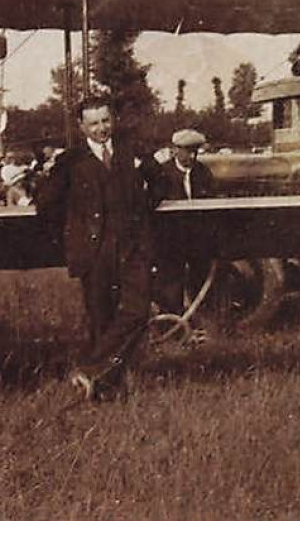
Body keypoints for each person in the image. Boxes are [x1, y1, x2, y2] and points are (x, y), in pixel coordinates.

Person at [35, 97, 157, 401]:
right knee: (101, 318)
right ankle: (106, 390)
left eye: (105, 120)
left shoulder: (132, 152)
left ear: (112, 119)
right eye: (93, 123)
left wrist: (140, 210)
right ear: (81, 127)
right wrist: (72, 231)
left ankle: (87, 369)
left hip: (131, 248)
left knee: (138, 312)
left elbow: (162, 183)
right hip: (94, 253)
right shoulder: (70, 161)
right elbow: (45, 204)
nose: (101, 128)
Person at [149, 128, 217, 316]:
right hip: (170, 240)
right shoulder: (161, 174)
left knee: (201, 279)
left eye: (195, 151)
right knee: (171, 283)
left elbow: (211, 203)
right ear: (175, 150)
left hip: (197, 238)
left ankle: (203, 321)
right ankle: (172, 322)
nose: (192, 156)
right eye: (187, 150)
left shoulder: (203, 173)